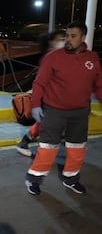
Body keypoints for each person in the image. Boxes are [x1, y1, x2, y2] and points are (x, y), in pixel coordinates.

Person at [25, 21, 102, 195]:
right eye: (67, 35)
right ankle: (34, 178)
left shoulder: (92, 58)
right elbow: (39, 83)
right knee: (47, 148)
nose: (68, 39)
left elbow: (99, 85)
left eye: (73, 36)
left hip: (80, 113)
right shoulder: (53, 57)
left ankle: (71, 178)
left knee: (77, 148)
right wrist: (36, 105)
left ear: (83, 38)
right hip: (54, 111)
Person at [16, 29, 66, 157]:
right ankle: (29, 144)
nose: (63, 42)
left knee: (45, 123)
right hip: (49, 98)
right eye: (60, 39)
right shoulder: (50, 57)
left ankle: (27, 143)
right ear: (52, 42)